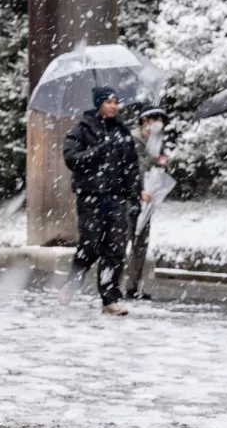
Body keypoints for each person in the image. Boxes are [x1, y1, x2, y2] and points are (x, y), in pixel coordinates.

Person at [62, 87, 142, 316]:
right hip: (91, 196)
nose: (114, 106)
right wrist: (98, 151)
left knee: (115, 248)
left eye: (116, 102)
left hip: (116, 197)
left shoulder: (121, 131)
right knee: (91, 243)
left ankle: (110, 299)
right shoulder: (82, 128)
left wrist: (135, 192)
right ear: (99, 103)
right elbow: (71, 158)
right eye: (109, 102)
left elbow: (132, 165)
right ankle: (73, 283)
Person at [128, 107, 173, 301]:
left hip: (149, 196)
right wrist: (137, 189)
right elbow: (132, 166)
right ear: (144, 120)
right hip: (132, 196)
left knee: (140, 243)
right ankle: (112, 285)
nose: (158, 123)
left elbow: (155, 164)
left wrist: (162, 163)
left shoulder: (158, 142)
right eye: (155, 119)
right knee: (126, 240)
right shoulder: (133, 139)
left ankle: (133, 286)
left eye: (160, 120)